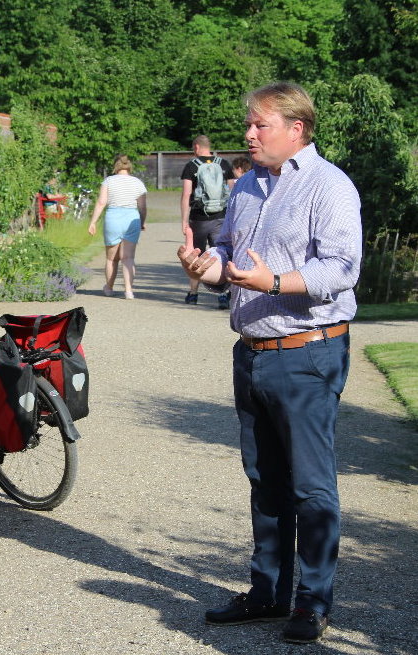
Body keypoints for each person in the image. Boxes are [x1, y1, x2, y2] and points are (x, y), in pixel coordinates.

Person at [177, 82, 362, 644]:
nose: (249, 134)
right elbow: (231, 255)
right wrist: (205, 266)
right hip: (252, 352)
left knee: (310, 486)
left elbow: (340, 270)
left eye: (260, 125)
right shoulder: (249, 185)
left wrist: (274, 281)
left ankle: (312, 602)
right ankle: (267, 594)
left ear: (296, 128)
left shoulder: (330, 187)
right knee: (265, 481)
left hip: (307, 352)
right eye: (249, 125)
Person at [179, 135, 236, 309]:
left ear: (196, 147)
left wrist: (184, 220)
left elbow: (187, 194)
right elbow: (233, 191)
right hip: (221, 217)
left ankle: (193, 293)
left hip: (199, 218)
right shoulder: (223, 164)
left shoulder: (191, 166)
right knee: (221, 253)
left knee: (194, 255)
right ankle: (224, 295)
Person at [88, 154, 147, 299]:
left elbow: (101, 202)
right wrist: (142, 222)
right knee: (128, 258)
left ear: (115, 166)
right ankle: (128, 290)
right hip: (131, 218)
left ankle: (109, 287)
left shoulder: (108, 181)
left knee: (111, 259)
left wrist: (93, 222)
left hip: (113, 218)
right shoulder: (138, 183)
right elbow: (142, 206)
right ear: (129, 166)